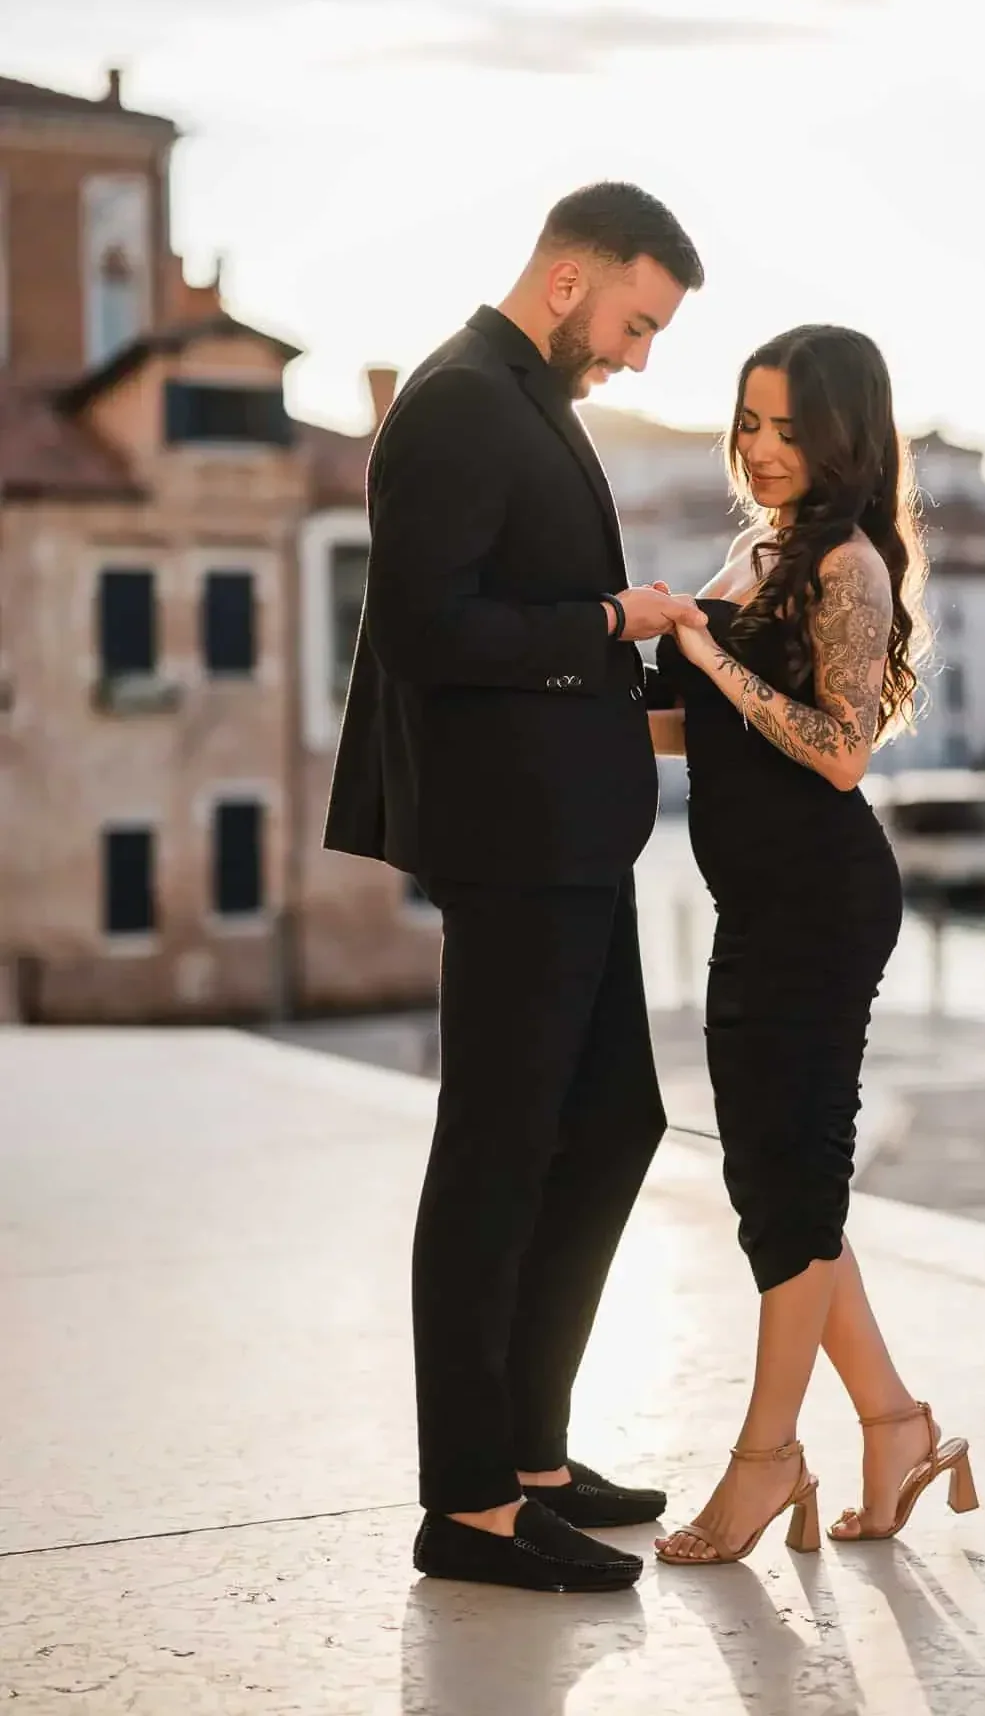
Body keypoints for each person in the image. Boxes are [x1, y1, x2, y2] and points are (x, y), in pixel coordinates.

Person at [324, 182, 707, 1593]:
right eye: (636, 320)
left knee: (613, 1124)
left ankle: (533, 1456)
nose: (640, 355)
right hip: (512, 843)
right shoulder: (460, 400)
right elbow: (428, 629)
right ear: (569, 278)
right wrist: (608, 622)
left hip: (570, 839)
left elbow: (506, 611)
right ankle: (468, 1503)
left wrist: (645, 640)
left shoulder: (517, 396)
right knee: (492, 1154)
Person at [647, 324, 978, 1565]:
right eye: (749, 421)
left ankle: (765, 1455)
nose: (763, 448)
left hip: (821, 902)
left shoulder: (847, 564)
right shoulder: (761, 553)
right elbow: (713, 737)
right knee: (779, 1190)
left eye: (790, 426)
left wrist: (703, 654)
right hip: (761, 904)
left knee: (790, 1190)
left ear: (844, 434)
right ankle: (896, 1424)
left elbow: (839, 750)